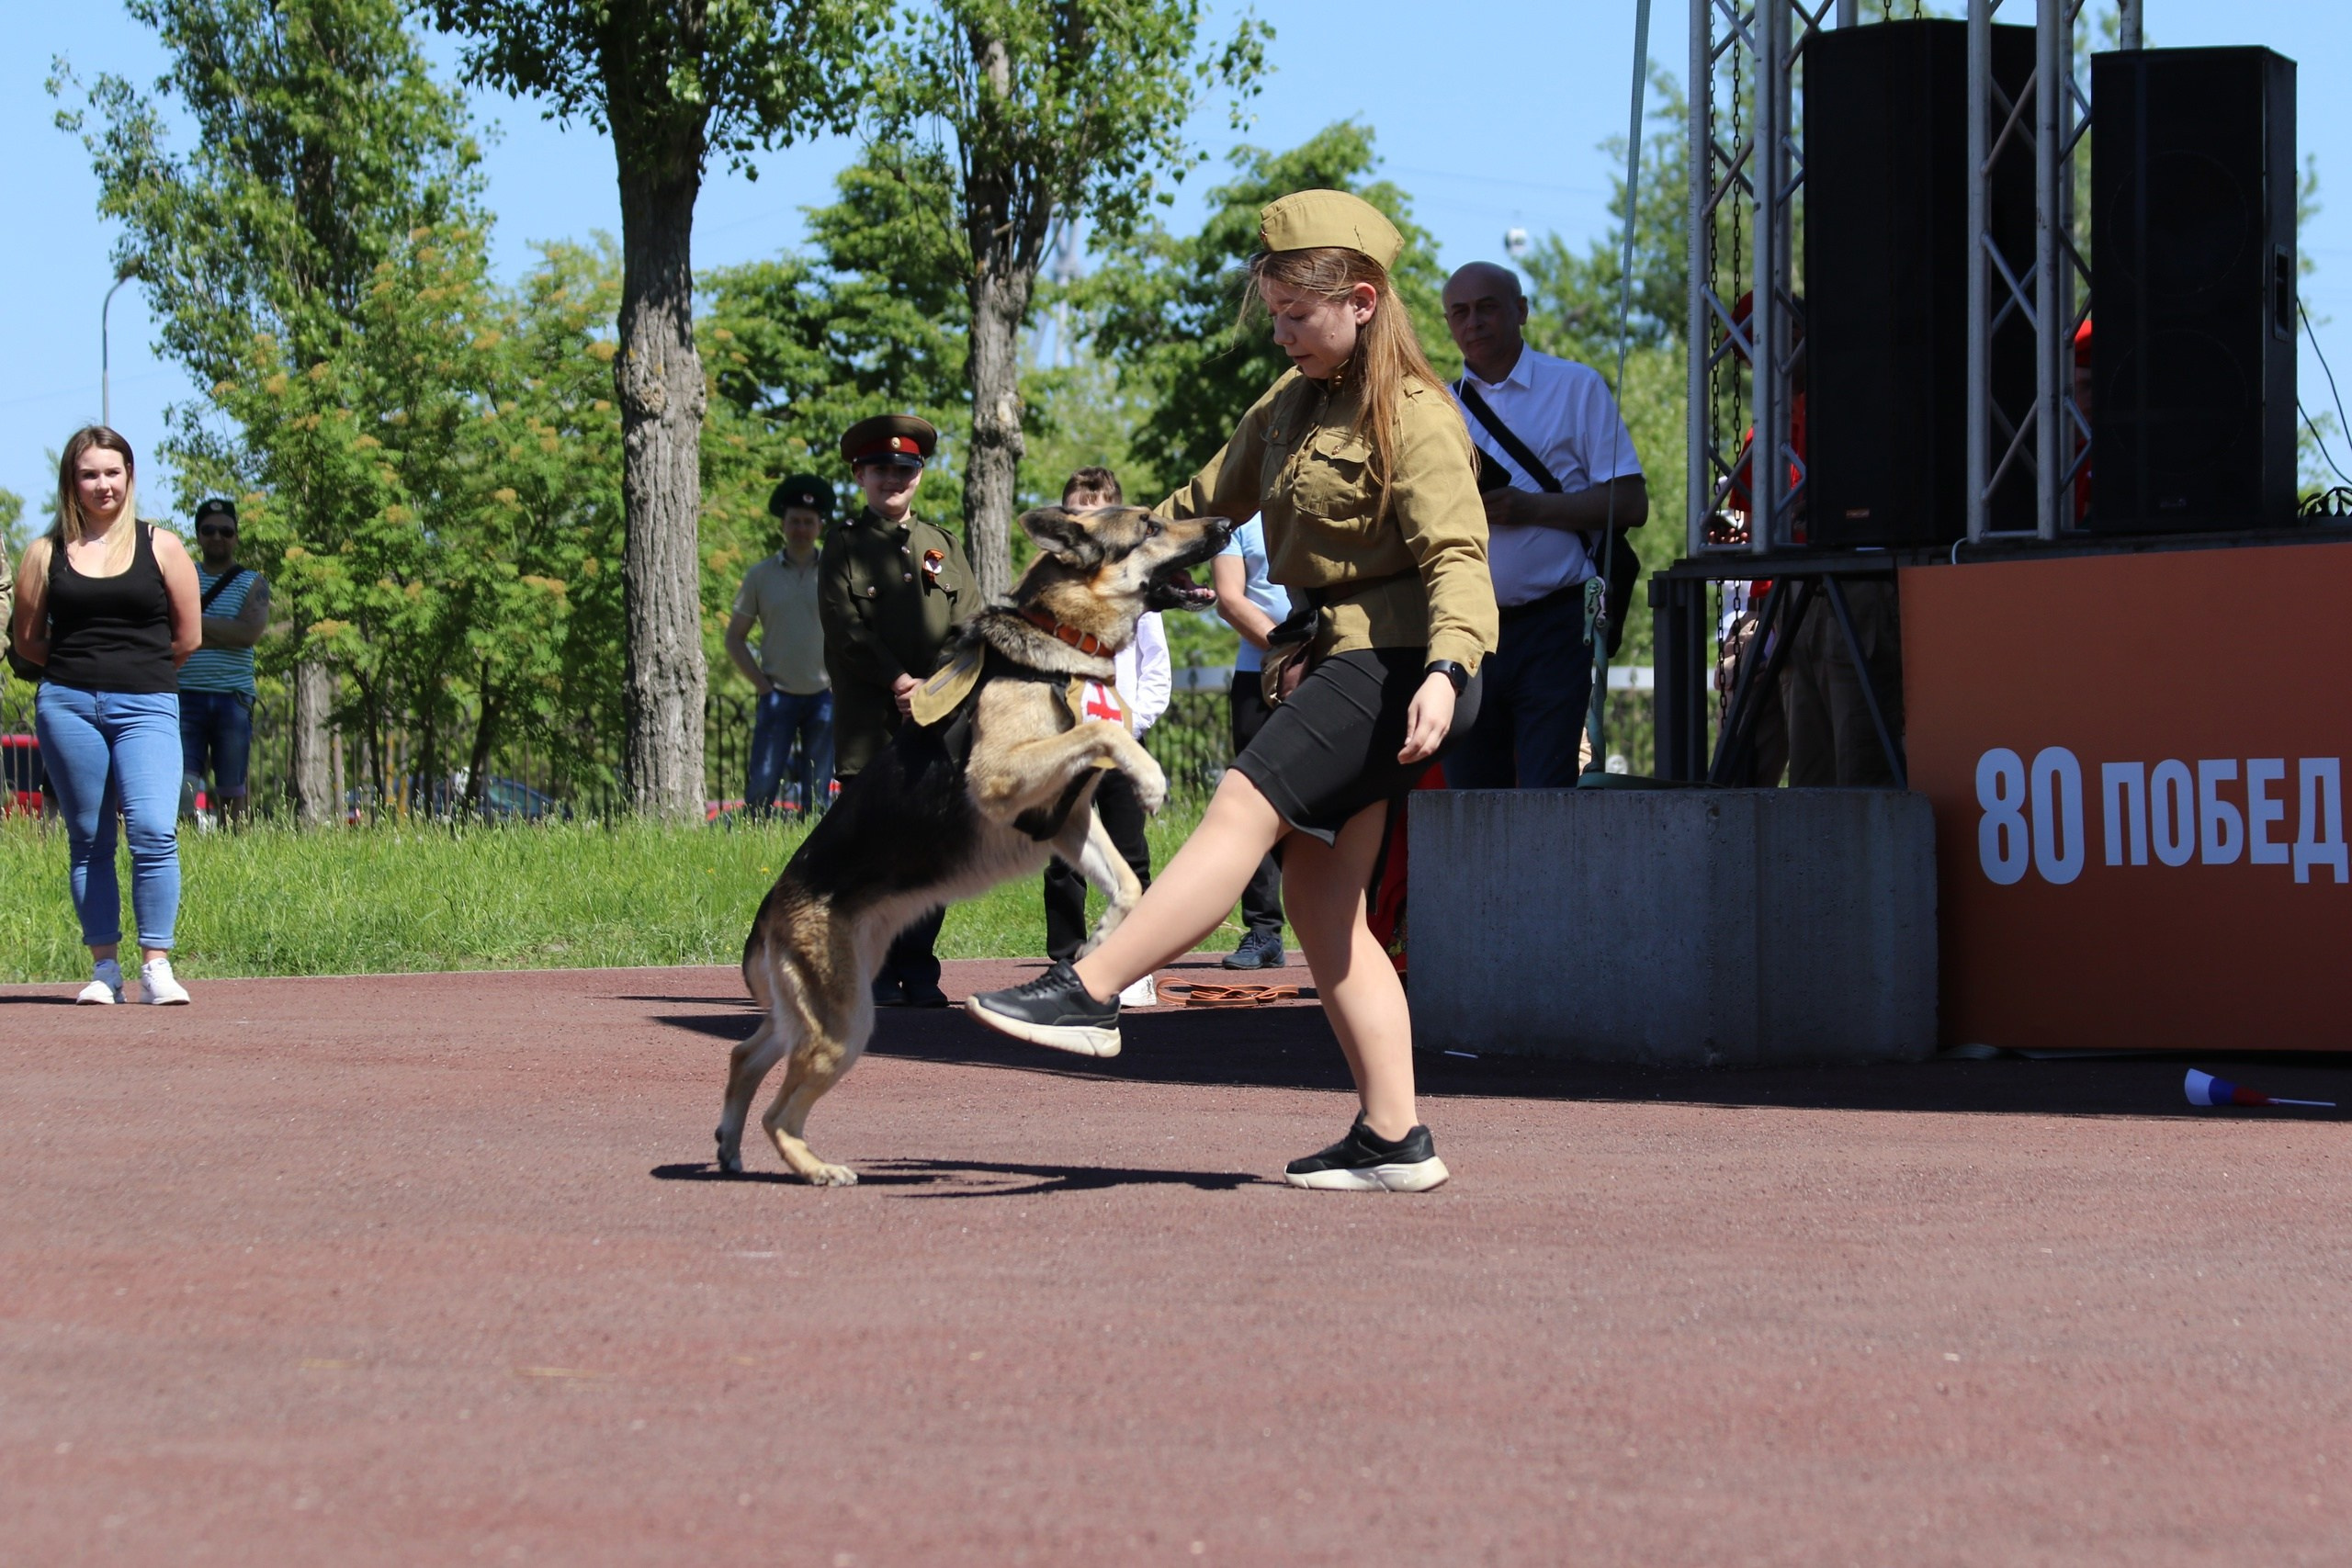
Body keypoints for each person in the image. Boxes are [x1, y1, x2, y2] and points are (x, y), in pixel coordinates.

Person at [967, 190, 1496, 1192]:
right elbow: (1196, 507)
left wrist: (1447, 667)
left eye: (1301, 312)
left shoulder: (1417, 416)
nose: (1285, 331)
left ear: (1365, 302)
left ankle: (1093, 992)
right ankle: (1395, 1139)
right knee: (1323, 906)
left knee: (1239, 806)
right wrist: (1093, 561)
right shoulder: (1288, 408)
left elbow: (1460, 561)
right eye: (1276, 310)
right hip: (1338, 657)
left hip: (1401, 664)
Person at [9, 427, 201, 1005]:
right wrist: (79, 672)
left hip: (147, 703)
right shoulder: (44, 553)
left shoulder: (161, 546)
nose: (102, 485)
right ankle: (106, 970)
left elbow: (187, 636)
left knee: (151, 829)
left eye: (112, 472)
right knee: (89, 838)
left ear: (129, 477)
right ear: (73, 480)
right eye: (90, 474)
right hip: (68, 706)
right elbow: (27, 642)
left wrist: (133, 672)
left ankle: (157, 967)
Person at [1440, 261, 1645, 789]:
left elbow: (1631, 504)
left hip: (1556, 626)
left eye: (1487, 307)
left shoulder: (1576, 387)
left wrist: (1529, 510)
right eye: (1459, 312)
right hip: (1465, 630)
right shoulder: (1437, 410)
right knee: (1469, 801)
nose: (1474, 322)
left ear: (1521, 311)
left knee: (1546, 795)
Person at [817, 413, 979, 1008]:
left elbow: (971, 624)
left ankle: (920, 969)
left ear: (918, 475)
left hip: (940, 727)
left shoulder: (942, 544)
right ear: (860, 474)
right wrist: (901, 681)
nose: (894, 478)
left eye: (905, 469)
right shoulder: (842, 545)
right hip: (873, 728)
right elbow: (845, 628)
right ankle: (874, 972)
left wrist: (935, 689)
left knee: (933, 854)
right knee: (874, 854)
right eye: (882, 469)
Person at [1040, 468, 1171, 1004]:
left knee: (1129, 850)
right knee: (1064, 854)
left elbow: (1156, 669)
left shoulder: (1137, 587)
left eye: (1099, 512)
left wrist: (1131, 726)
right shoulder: (1051, 584)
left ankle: (1128, 960)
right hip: (1068, 740)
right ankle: (1065, 960)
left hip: (1122, 738)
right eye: (1078, 512)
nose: (1088, 521)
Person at [1209, 514, 1290, 970]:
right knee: (1254, 799)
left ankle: (1354, 926)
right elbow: (1229, 598)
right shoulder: (1240, 519)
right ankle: (1263, 932)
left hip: (1333, 668)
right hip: (1257, 675)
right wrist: (1288, 649)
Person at [727, 475, 835, 817]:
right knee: (760, 789)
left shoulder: (837, 573)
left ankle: (813, 858)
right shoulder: (760, 575)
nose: (801, 528)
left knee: (818, 796)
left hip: (825, 697)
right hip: (777, 697)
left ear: (820, 526)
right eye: (794, 521)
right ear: (783, 526)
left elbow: (857, 632)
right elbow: (734, 638)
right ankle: (752, 844)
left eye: (808, 521)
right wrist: (763, 686)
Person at [176, 497, 270, 824]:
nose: (218, 537)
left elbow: (248, 634)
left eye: (226, 531)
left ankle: (234, 844)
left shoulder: (253, 582)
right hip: (184, 692)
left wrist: (192, 624)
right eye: (210, 530)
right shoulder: (181, 577)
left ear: (236, 535)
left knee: (232, 784)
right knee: (183, 782)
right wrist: (225, 631)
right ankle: (187, 843)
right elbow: (166, 628)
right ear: (199, 535)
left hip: (233, 697)